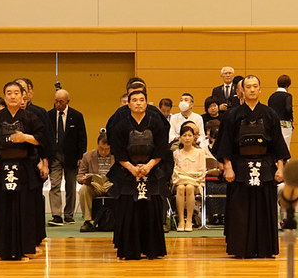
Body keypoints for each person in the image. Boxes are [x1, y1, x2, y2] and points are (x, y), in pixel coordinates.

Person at [215, 74, 289, 258]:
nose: (252, 89)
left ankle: (265, 248)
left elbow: (278, 144)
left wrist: (280, 168)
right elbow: (225, 144)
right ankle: (241, 248)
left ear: (260, 89)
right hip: (239, 166)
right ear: (242, 90)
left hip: (264, 165)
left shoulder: (270, 113)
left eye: (255, 86)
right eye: (248, 86)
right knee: (240, 210)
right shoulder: (233, 115)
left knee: (265, 208)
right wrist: (228, 166)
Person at [0, 80, 49, 261]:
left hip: (24, 168)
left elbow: (42, 139)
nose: (12, 96)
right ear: (4, 97)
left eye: (16, 93)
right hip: (2, 168)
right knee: (3, 210)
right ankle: (4, 251)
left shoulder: (30, 118)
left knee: (24, 209)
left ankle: (24, 249)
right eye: (9, 93)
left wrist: (25, 137)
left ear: (23, 96)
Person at [107, 89, 169, 260]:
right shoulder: (121, 125)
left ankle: (152, 249)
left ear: (146, 103)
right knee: (130, 210)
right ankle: (130, 249)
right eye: (134, 100)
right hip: (128, 173)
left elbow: (161, 147)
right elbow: (118, 151)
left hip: (151, 172)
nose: (138, 103)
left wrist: (149, 165)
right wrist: (132, 168)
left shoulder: (155, 123)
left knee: (151, 209)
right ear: (128, 104)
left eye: (142, 100)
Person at [46, 89, 86, 226]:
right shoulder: (48, 115)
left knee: (70, 185)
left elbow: (82, 138)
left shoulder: (77, 116)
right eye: (56, 101)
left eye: (61, 102)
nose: (58, 104)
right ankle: (56, 215)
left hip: (71, 155)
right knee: (55, 184)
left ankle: (69, 214)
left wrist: (81, 156)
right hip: (54, 155)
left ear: (67, 101)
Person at [77, 132, 115, 232]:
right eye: (101, 148)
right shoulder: (88, 156)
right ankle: (88, 221)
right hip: (95, 184)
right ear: (97, 145)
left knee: (121, 188)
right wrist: (84, 180)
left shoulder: (117, 156)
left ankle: (118, 219)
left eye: (107, 149)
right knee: (84, 190)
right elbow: (79, 176)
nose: (103, 152)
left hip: (110, 184)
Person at [173, 122, 207, 232]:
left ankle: (189, 220)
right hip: (179, 182)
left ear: (194, 138)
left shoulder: (200, 152)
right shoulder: (176, 153)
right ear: (180, 138)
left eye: (190, 135)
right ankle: (181, 220)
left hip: (196, 183)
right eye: (184, 136)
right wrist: (187, 177)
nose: (187, 138)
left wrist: (189, 178)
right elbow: (175, 172)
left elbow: (201, 172)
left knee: (189, 187)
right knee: (182, 188)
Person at [268, 75, 294, 151]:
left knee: (275, 146)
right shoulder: (287, 96)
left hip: (273, 124)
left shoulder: (272, 96)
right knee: (285, 146)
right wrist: (291, 118)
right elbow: (288, 108)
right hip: (285, 124)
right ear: (287, 85)